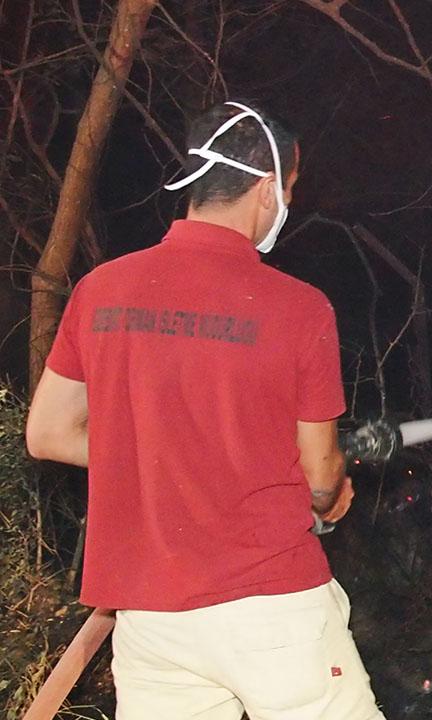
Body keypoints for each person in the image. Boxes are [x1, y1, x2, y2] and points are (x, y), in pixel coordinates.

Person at [26, 101, 385, 720]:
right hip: (270, 609)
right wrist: (329, 494)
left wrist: (155, 448)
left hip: (152, 622)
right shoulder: (299, 309)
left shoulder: (100, 291)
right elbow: (321, 476)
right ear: (268, 187)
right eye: (291, 189)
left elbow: (49, 434)